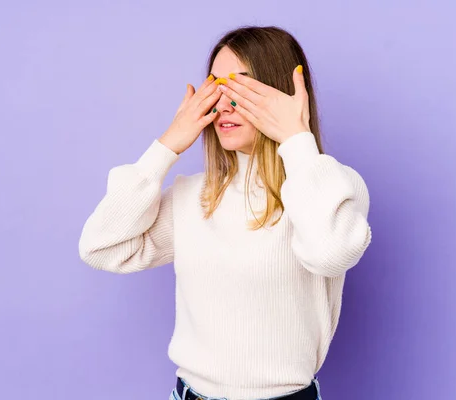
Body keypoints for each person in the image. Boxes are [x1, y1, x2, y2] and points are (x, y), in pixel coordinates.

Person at [79, 25, 372, 400]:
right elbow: (100, 247)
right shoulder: (195, 196)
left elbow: (330, 253)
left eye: (241, 88)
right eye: (216, 86)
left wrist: (297, 139)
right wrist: (167, 146)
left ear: (283, 95)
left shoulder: (332, 186)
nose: (223, 104)